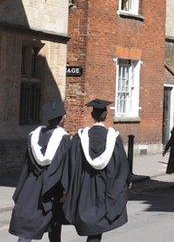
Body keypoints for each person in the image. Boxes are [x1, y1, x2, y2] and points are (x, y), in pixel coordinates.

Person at [61, 99, 129, 241]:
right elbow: (121, 166)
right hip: (105, 187)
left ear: (92, 115)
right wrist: (126, 181)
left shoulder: (80, 138)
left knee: (88, 221)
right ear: (106, 116)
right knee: (98, 223)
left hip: (84, 186)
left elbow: (70, 164)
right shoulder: (114, 139)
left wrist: (66, 187)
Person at [10, 101, 71, 242]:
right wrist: (65, 190)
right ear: (61, 119)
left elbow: (26, 164)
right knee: (54, 224)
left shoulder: (33, 136)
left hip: (31, 185)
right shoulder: (64, 139)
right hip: (52, 187)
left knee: (28, 224)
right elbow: (65, 166)